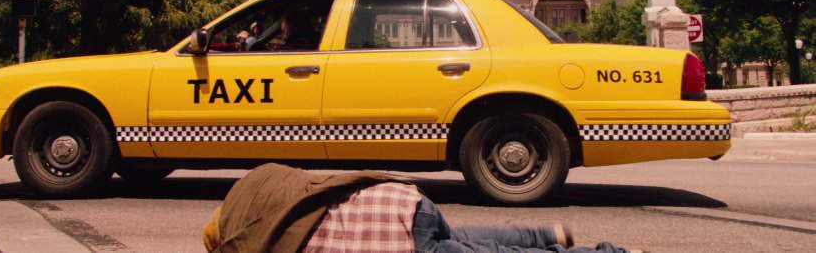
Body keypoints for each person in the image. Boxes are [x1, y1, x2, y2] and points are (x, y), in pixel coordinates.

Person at [203, 163, 639, 253]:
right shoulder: (267, 187)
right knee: (462, 237)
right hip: (405, 202)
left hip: (400, 242)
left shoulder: (264, 244)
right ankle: (548, 235)